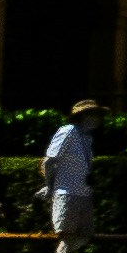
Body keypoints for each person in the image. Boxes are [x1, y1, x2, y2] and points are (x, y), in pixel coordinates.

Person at [39, 100, 98, 242]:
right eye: (93, 114)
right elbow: (49, 160)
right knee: (66, 239)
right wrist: (49, 185)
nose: (97, 118)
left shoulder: (86, 138)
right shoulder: (68, 131)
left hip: (84, 194)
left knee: (84, 237)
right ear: (83, 116)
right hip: (67, 194)